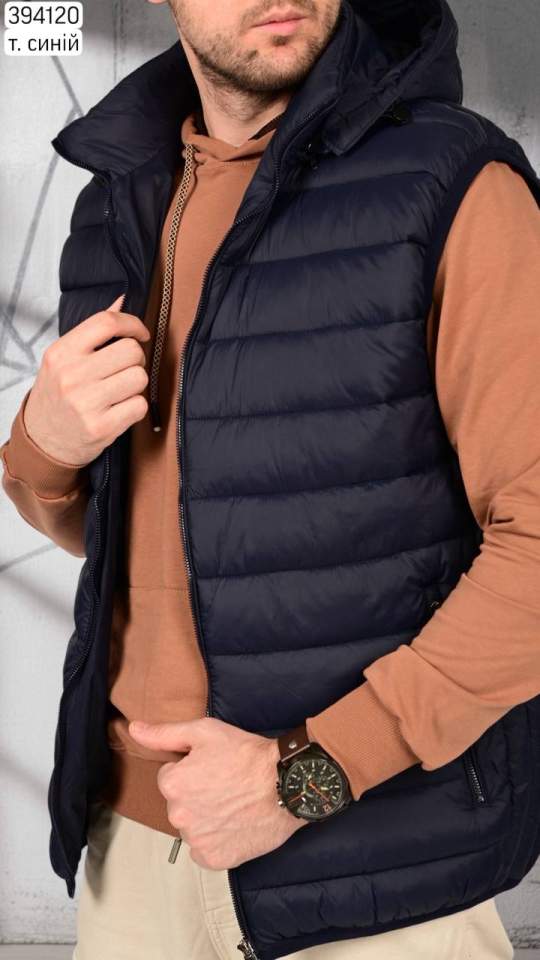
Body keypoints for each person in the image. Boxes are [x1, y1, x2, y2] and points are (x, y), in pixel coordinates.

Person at [1, 0, 540, 957]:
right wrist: (41, 447)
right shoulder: (118, 200)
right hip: (133, 860)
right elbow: (156, 535)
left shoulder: (453, 185)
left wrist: (307, 774)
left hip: (376, 873)